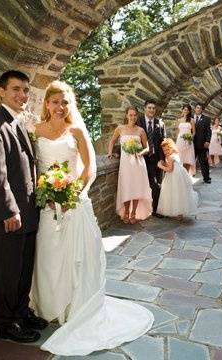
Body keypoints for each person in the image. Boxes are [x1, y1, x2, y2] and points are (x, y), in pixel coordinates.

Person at [30, 80, 153, 356]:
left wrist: (72, 193)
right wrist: (46, 191)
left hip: (74, 203)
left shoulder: (76, 131)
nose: (60, 107)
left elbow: (90, 168)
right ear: (46, 104)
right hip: (46, 205)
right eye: (55, 102)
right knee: (49, 253)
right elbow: (33, 168)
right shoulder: (35, 131)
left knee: (77, 256)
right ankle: (50, 306)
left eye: (65, 102)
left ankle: (77, 307)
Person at [0, 70, 47, 343]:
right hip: (5, 218)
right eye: (16, 89)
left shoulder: (18, 123)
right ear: (1, 91)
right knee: (5, 273)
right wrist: (10, 210)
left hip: (28, 214)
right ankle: (6, 324)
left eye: (26, 90)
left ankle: (20, 312)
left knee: (21, 270)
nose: (22, 95)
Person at [107, 106, 152, 224]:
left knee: (136, 188)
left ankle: (134, 213)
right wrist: (110, 153)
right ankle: (126, 211)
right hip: (125, 164)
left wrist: (140, 152)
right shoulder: (120, 129)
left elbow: (147, 147)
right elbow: (112, 141)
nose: (132, 117)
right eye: (130, 115)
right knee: (126, 187)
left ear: (137, 116)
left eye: (135, 115)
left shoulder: (141, 130)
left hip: (138, 163)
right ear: (126, 115)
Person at [137, 99, 166, 217]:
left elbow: (163, 142)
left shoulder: (160, 123)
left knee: (158, 183)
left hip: (157, 158)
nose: (151, 110)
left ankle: (156, 209)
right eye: (149, 108)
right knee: (153, 183)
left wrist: (163, 158)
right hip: (143, 158)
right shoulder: (138, 121)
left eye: (153, 108)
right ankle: (151, 208)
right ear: (145, 108)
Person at [156, 138, 198, 219]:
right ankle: (180, 213)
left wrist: (160, 166)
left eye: (168, 149)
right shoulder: (175, 154)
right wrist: (165, 163)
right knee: (180, 193)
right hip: (180, 176)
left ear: (172, 148)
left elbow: (170, 169)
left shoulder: (170, 157)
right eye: (164, 150)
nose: (166, 152)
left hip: (174, 176)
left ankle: (178, 213)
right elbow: (172, 166)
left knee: (175, 193)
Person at [174, 104, 196, 175]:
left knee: (188, 158)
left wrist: (190, 138)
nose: (186, 111)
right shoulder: (179, 120)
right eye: (184, 109)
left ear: (189, 111)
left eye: (187, 110)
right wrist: (176, 142)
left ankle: (186, 175)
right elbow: (177, 132)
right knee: (181, 158)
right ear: (182, 110)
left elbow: (194, 132)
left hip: (188, 141)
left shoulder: (192, 120)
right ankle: (182, 174)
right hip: (180, 141)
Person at [193, 104, 212, 183]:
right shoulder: (190, 118)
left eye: (200, 108)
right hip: (191, 145)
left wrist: (208, 141)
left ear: (202, 110)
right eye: (197, 108)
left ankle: (206, 178)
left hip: (202, 144)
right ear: (195, 109)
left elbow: (209, 131)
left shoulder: (207, 119)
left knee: (203, 162)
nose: (198, 109)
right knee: (188, 161)